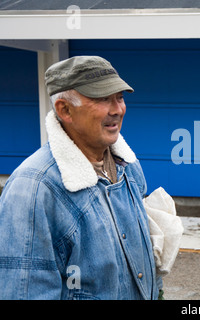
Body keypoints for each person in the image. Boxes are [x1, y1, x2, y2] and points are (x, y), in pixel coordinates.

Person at [0, 56, 162, 299]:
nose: (117, 109)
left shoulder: (128, 166)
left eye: (120, 97)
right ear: (64, 110)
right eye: (102, 98)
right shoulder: (33, 188)